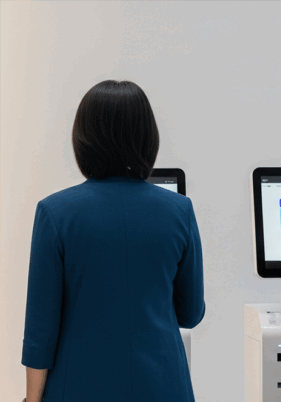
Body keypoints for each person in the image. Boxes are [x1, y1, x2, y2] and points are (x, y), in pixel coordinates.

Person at [21, 80, 206, 402]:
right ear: (147, 137)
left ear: (83, 138)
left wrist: (31, 399)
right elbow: (190, 313)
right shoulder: (179, 211)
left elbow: (41, 331)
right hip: (163, 386)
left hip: (78, 387)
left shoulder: (55, 213)